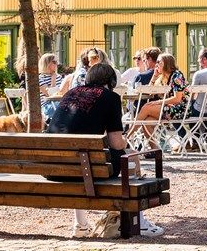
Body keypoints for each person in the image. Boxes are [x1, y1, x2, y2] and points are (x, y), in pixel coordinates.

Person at [47, 62, 163, 238]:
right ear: (111, 82)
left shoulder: (71, 93)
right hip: (85, 168)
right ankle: (138, 221)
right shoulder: (111, 98)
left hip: (53, 168)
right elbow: (116, 144)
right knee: (131, 157)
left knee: (83, 160)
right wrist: (126, 141)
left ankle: (80, 225)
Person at [37, 53, 66, 121]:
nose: (57, 64)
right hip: (47, 106)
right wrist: (53, 79)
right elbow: (50, 95)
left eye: (57, 62)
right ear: (47, 63)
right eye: (54, 62)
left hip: (59, 103)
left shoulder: (59, 77)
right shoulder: (40, 78)